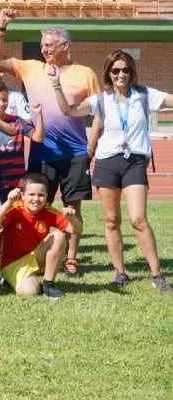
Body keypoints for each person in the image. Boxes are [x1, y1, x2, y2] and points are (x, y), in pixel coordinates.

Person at [49, 50, 172, 292]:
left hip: (134, 161)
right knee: (111, 220)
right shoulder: (101, 99)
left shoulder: (145, 95)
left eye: (125, 70)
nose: (121, 74)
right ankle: (120, 272)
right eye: (115, 70)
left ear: (132, 72)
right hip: (107, 161)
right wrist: (56, 86)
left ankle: (156, 274)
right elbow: (70, 111)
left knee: (138, 219)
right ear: (108, 73)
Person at [0, 9, 100, 278]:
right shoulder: (31, 67)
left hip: (75, 153)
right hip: (42, 152)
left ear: (65, 45)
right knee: (38, 205)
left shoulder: (85, 73)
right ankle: (37, 255)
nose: (44, 50)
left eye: (49, 45)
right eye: (42, 46)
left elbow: (100, 111)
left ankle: (71, 260)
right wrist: (1, 29)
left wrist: (91, 147)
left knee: (73, 207)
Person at [0, 175, 82, 299]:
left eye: (41, 195)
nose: (36, 199)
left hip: (35, 256)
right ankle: (10, 279)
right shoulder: (15, 208)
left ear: (46, 196)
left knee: (58, 236)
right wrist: (8, 202)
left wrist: (72, 219)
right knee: (30, 292)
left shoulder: (47, 210)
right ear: (22, 195)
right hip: (12, 261)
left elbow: (76, 230)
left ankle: (48, 285)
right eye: (31, 194)